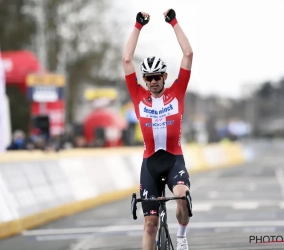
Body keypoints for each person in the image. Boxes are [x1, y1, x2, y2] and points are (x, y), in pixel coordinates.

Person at [122, 8, 193, 250]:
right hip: (150, 163)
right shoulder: (138, 96)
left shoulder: (177, 92)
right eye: (148, 78)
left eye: (156, 77)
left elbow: (188, 53)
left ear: (164, 76)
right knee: (150, 225)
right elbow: (126, 60)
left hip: (174, 160)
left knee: (181, 196)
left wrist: (173, 22)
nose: (152, 82)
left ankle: (182, 236)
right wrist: (137, 25)